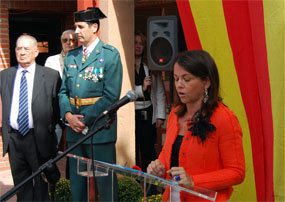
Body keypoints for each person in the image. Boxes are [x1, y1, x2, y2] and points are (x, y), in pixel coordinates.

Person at [147, 50, 245, 201]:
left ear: (206, 82)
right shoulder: (175, 113)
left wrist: (194, 181)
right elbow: (168, 154)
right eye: (176, 78)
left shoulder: (225, 118)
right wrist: (159, 166)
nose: (179, 85)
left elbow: (237, 172)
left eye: (186, 79)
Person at [58, 7, 123, 201]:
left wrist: (84, 119)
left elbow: (111, 96)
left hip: (99, 131)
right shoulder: (71, 56)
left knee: (106, 187)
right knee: (78, 188)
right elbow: (63, 92)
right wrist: (68, 116)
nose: (76, 31)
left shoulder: (110, 55)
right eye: (75, 26)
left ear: (94, 27)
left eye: (80, 27)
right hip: (74, 132)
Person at [0, 34, 61, 201]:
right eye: (19, 48)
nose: (22, 52)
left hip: (39, 138)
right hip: (14, 139)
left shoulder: (51, 76)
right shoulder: (5, 75)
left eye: (26, 49)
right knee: (21, 185)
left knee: (42, 186)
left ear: (35, 51)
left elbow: (56, 110)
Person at [134, 31, 166, 172]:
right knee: (133, 150)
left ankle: (151, 187)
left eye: (141, 44)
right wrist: (142, 88)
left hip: (148, 112)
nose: (138, 46)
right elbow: (124, 91)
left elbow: (159, 92)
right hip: (131, 113)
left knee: (148, 151)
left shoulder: (150, 66)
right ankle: (134, 185)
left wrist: (160, 115)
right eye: (135, 43)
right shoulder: (124, 64)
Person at [45, 30, 77, 146]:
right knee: (54, 143)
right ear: (61, 42)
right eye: (65, 40)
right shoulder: (51, 60)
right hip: (57, 106)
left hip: (75, 107)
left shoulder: (82, 60)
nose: (69, 43)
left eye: (72, 40)